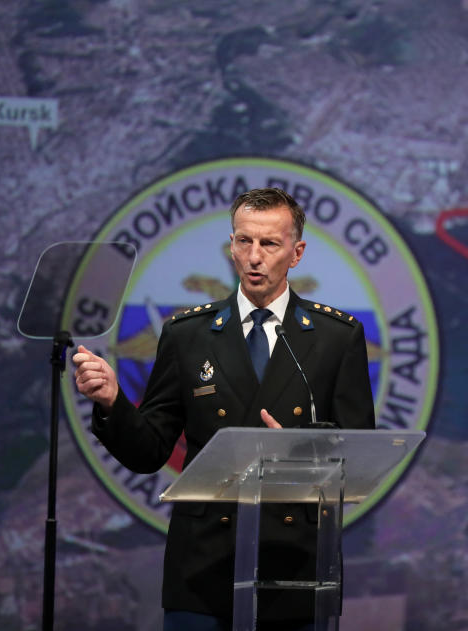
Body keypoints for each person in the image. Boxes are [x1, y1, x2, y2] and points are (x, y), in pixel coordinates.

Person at [73, 187, 376, 630]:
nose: (254, 256)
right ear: (231, 246)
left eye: (269, 244)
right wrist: (113, 403)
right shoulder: (186, 334)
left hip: (294, 566)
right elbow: (149, 451)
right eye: (243, 241)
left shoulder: (335, 337)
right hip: (202, 565)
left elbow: (358, 458)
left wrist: (297, 452)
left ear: (296, 253)